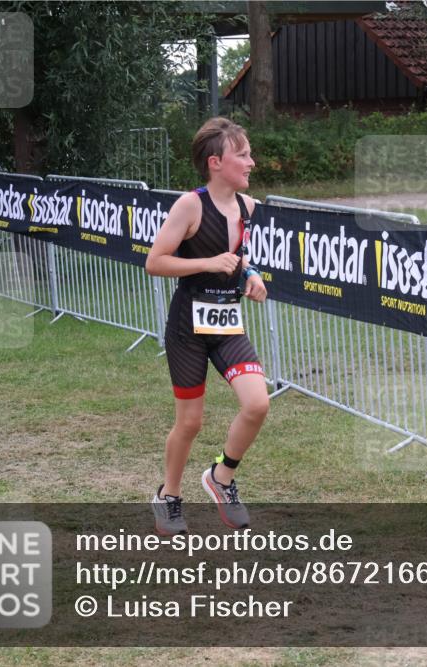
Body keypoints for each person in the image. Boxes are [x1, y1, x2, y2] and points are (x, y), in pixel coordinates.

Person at [145, 117, 268, 534]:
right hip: (187, 330)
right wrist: (207, 263)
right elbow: (155, 261)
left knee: (257, 403)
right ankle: (169, 496)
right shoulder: (190, 205)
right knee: (190, 422)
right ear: (216, 162)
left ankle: (221, 477)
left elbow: (239, 254)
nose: (252, 162)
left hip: (227, 323)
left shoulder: (249, 208)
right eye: (243, 154)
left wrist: (251, 276)